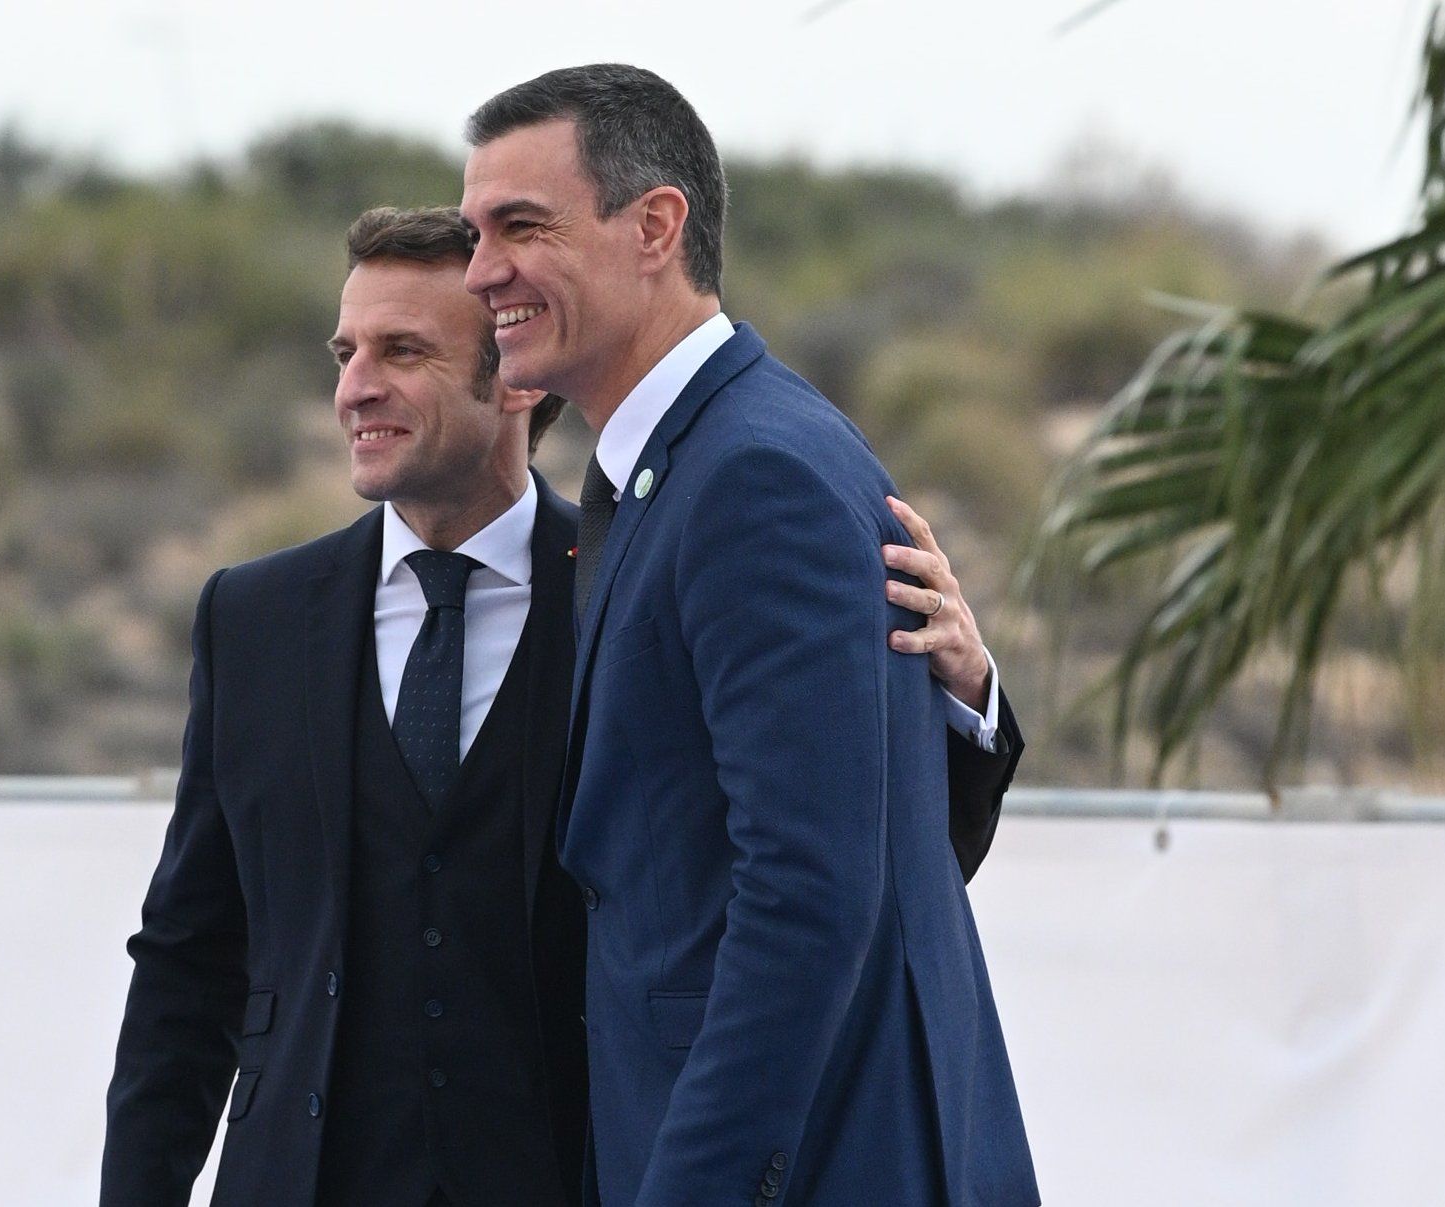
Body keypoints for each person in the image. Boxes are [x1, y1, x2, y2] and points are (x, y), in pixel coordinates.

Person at [100, 204, 1023, 1207]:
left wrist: (962, 698)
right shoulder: (254, 618)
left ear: (517, 374)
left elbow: (839, 865)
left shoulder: (643, 586)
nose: (353, 387)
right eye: (344, 351)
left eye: (401, 350)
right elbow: (189, 964)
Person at [458, 66, 1038, 1206]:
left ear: (655, 228)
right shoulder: (668, 473)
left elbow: (809, 893)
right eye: (477, 233)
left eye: (520, 227)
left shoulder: (752, 476)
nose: (482, 272)